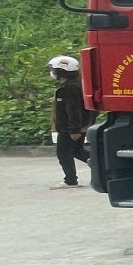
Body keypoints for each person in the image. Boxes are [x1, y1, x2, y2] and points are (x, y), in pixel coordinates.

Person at [48, 55, 93, 190]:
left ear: (62, 71)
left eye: (54, 69)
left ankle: (71, 180)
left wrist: (74, 129)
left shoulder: (70, 89)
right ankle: (104, 167)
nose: (52, 72)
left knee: (63, 153)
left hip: (70, 129)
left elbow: (73, 110)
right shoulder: (77, 85)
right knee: (78, 151)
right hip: (77, 127)